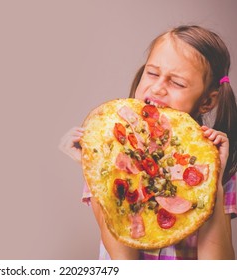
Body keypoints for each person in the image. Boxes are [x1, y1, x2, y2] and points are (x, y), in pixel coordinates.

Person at [59, 25, 237, 260]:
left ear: (207, 101)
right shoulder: (110, 153)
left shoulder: (219, 168)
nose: (157, 88)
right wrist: (97, 167)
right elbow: (124, 261)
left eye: (177, 83)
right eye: (152, 73)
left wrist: (214, 183)